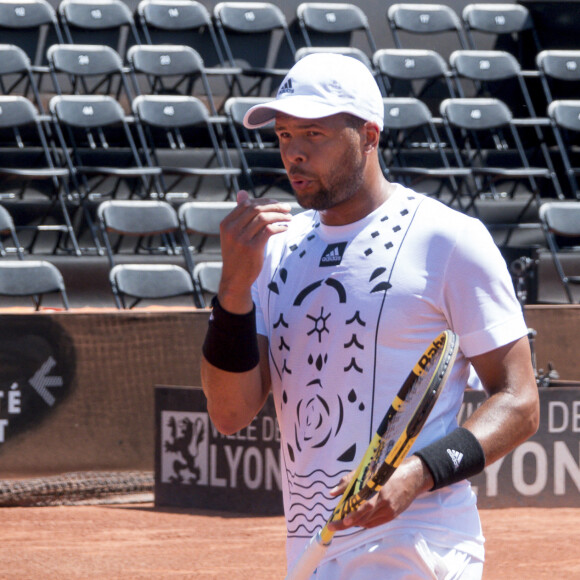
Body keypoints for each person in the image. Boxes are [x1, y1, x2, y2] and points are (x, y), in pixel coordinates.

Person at [201, 53, 539, 579]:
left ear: (370, 135)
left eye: (313, 133)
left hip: (420, 548)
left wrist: (419, 474)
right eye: (285, 136)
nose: (294, 153)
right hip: (313, 550)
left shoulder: (447, 238)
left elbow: (519, 401)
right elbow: (230, 413)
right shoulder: (276, 251)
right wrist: (232, 289)